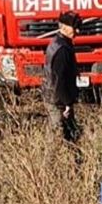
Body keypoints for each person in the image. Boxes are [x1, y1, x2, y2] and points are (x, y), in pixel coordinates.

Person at [43, 11, 81, 142]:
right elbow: (60, 80)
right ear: (63, 27)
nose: (78, 31)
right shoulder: (62, 50)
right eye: (75, 27)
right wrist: (67, 104)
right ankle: (49, 163)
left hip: (53, 98)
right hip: (58, 101)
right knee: (56, 138)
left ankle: (77, 161)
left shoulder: (56, 43)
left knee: (71, 134)